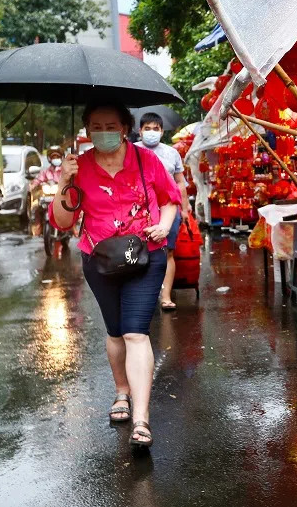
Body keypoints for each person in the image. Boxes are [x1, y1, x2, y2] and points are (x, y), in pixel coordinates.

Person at [50, 100, 180, 449]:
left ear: (125, 128)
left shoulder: (146, 160)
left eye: (111, 126)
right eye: (96, 126)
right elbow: (62, 222)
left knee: (136, 332)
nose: (104, 133)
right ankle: (121, 390)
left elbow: (171, 198)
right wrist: (64, 179)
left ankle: (141, 418)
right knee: (115, 331)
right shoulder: (79, 167)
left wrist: (163, 226)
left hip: (145, 256)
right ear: (87, 130)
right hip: (100, 259)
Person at [135, 112, 191, 311]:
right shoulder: (131, 151)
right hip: (139, 211)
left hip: (170, 209)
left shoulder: (171, 153)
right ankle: (142, 296)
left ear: (162, 131)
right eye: (147, 128)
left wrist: (184, 210)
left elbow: (180, 184)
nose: (151, 132)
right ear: (139, 131)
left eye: (155, 129)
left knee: (167, 252)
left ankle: (165, 296)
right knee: (139, 252)